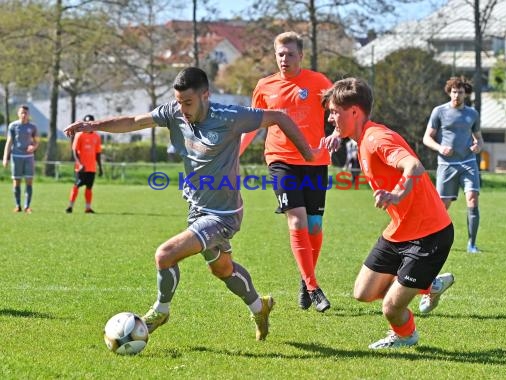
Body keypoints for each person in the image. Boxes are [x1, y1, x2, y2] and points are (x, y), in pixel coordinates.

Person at [64, 67, 315, 341]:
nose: (182, 108)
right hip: (196, 208)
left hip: (223, 215)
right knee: (222, 269)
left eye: (188, 102)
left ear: (205, 95)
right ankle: (260, 307)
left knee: (165, 254)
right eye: (179, 101)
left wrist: (308, 155)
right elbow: (134, 122)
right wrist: (93, 126)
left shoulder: (229, 117)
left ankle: (160, 311)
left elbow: (279, 116)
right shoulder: (173, 111)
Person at [320, 78, 455, 349]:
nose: (330, 117)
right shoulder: (361, 136)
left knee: (391, 309)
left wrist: (396, 195)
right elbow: (346, 129)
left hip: (430, 234)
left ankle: (406, 335)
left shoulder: (376, 138)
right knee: (362, 292)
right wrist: (338, 133)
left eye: (335, 112)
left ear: (354, 112)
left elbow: (413, 166)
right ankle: (428, 285)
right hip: (400, 230)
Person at [240, 31, 333, 312]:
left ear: (301, 56)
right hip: (281, 161)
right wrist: (235, 155)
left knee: (315, 226)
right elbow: (253, 125)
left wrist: (339, 134)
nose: (284, 59)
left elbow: (338, 110)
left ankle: (305, 281)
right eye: (280, 54)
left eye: (290, 54)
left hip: (316, 161)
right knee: (297, 222)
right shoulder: (265, 86)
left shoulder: (318, 83)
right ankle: (314, 288)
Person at [423, 76, 484, 254]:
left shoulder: (472, 114)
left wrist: (477, 146)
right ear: (449, 92)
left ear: (465, 94)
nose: (457, 95)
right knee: (442, 206)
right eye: (454, 92)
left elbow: (479, 139)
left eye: (460, 92)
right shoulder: (439, 112)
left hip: (468, 163)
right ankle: (431, 241)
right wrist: (440, 148)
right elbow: (427, 138)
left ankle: (472, 244)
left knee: (473, 198)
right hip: (446, 165)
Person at [2, 105, 39, 214]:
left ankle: (27, 206)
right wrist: (5, 157)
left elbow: (37, 141)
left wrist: (34, 147)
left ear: (28, 114)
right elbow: (9, 142)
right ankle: (18, 205)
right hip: (16, 156)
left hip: (29, 157)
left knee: (29, 181)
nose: (24, 115)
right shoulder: (13, 126)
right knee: (16, 181)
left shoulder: (33, 127)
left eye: (25, 113)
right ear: (18, 113)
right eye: (22, 113)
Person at [66, 114, 103, 214]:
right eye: (86, 122)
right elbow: (75, 151)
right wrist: (80, 164)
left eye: (90, 122)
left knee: (89, 188)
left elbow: (98, 153)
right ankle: (70, 206)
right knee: (76, 186)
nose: (88, 125)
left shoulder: (97, 136)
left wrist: (100, 167)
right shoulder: (79, 135)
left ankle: (88, 208)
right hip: (81, 168)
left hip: (92, 168)